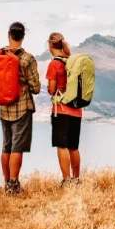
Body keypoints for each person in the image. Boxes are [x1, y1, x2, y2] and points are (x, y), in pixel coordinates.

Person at [0, 22, 41, 194]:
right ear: (23, 36)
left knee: (6, 146)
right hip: (22, 108)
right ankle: (14, 186)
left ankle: (7, 182)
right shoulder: (27, 59)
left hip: (4, 108)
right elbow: (36, 87)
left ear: (8, 34)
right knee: (17, 147)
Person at [45, 32, 83, 186]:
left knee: (62, 146)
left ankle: (66, 180)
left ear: (50, 46)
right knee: (73, 147)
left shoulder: (54, 64)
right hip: (76, 110)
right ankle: (76, 179)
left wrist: (51, 88)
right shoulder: (73, 62)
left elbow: (52, 89)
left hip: (60, 110)